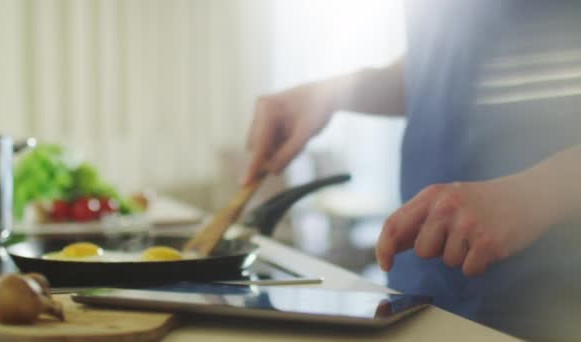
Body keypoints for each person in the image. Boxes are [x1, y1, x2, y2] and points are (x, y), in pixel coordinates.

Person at [243, 0, 581, 340]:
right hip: (420, 294)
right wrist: (330, 93)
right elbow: (437, 69)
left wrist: (534, 195)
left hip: (548, 303)